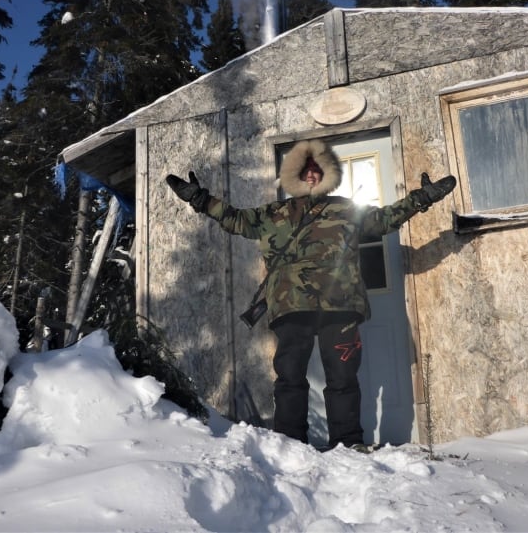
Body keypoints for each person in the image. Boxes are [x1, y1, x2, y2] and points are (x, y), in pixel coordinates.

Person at [166, 139, 455, 449]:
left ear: (326, 174)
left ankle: (348, 442)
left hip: (340, 305)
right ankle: (290, 445)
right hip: (291, 305)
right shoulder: (274, 213)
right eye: (306, 170)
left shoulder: (346, 209)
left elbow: (385, 219)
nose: (312, 176)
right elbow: (236, 219)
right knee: (290, 377)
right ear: (295, 175)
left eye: (317, 170)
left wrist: (422, 198)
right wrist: (199, 199)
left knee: (343, 378)